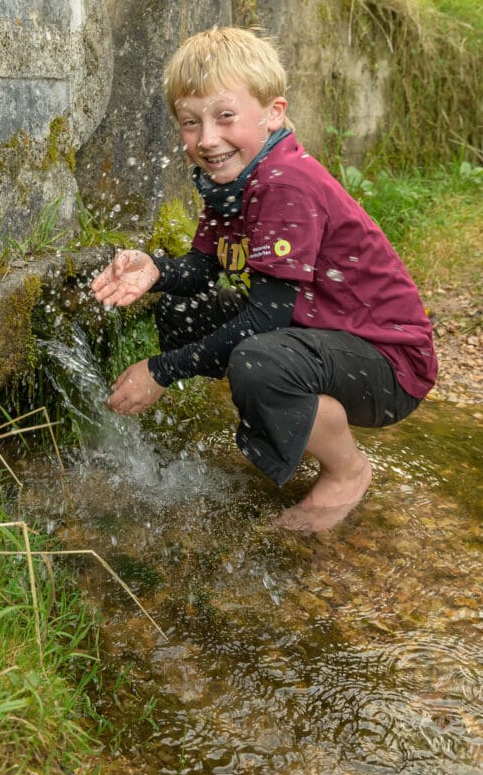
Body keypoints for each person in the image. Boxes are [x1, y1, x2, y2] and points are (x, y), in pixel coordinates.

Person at [90, 27, 437, 534]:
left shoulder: (284, 182)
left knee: (258, 361)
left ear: (273, 112)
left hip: (390, 363)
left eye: (224, 116)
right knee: (183, 311)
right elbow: (206, 268)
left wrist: (161, 371)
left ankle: (346, 470)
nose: (207, 139)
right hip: (325, 337)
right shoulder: (232, 182)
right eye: (190, 122)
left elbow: (267, 317)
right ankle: (288, 425)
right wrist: (157, 270)